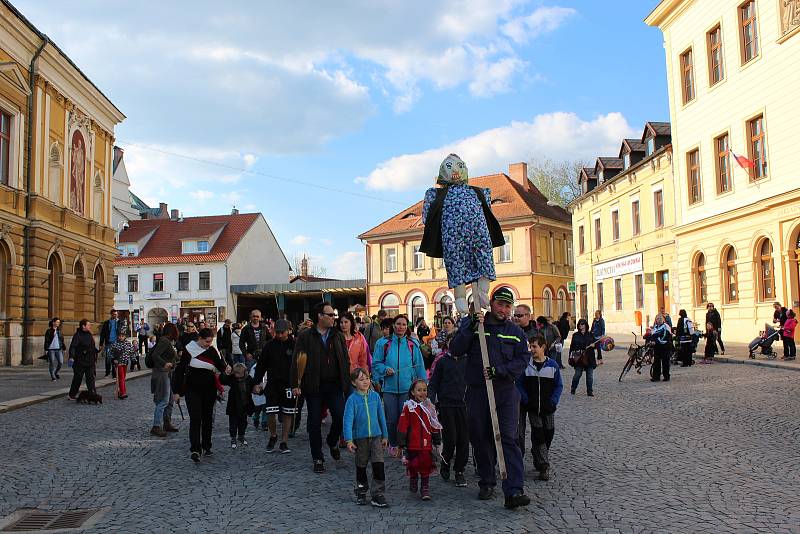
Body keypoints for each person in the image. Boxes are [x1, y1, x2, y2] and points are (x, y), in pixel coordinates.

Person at [448, 286, 531, 509]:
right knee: (481, 437)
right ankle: (487, 481)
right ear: (491, 303)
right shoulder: (475, 325)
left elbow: (523, 359)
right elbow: (455, 350)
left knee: (509, 439)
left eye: (507, 306)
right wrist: (470, 328)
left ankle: (514, 490)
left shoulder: (515, 332)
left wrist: (501, 370)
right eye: (500, 304)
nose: (503, 309)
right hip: (478, 392)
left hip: (505, 392)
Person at [290, 302, 351, 473]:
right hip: (314, 386)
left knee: (340, 417)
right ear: (320, 316)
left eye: (334, 315)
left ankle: (332, 442)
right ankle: (317, 457)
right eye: (330, 315)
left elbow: (345, 360)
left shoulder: (337, 336)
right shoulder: (305, 337)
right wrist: (295, 384)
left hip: (335, 385)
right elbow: (297, 360)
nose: (334, 318)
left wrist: (346, 381)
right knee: (314, 422)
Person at [372, 314, 426, 456]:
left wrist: (423, 387)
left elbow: (419, 366)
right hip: (389, 388)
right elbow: (376, 363)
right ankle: (394, 444)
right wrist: (384, 370)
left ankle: (405, 446)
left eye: (403, 324)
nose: (400, 327)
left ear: (406, 327)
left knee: (406, 419)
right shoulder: (382, 343)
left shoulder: (412, 344)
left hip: (407, 389)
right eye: (398, 324)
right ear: (393, 326)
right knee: (391, 419)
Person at [177, 327, 231, 462]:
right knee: (195, 419)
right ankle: (195, 449)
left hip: (209, 390)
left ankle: (207, 445)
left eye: (211, 341)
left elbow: (220, 365)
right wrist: (176, 391)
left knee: (207, 419)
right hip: (192, 390)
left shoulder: (212, 350)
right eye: (207, 341)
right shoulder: (189, 350)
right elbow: (180, 370)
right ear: (199, 339)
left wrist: (226, 369)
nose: (209, 344)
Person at [518, 335, 562, 481]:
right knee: (539, 434)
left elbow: (558, 386)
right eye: (530, 346)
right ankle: (544, 466)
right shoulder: (527, 366)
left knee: (549, 432)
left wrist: (553, 401)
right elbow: (519, 385)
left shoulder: (552, 365)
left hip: (548, 408)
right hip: (533, 408)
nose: (532, 350)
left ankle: (537, 453)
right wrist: (526, 400)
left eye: (534, 346)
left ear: (543, 347)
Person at [343, 368, 389, 507]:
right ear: (353, 382)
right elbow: (348, 420)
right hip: (361, 438)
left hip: (376, 436)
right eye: (361, 379)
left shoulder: (375, 397)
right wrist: (349, 439)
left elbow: (381, 417)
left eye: (367, 378)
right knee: (361, 466)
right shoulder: (352, 400)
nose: (365, 382)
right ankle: (361, 491)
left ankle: (378, 493)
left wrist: (385, 435)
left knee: (378, 464)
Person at [427, 335, 468, 488]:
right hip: (446, 405)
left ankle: (459, 471)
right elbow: (434, 383)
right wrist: (430, 399)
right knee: (450, 439)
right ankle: (445, 463)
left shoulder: (468, 361)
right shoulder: (443, 361)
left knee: (464, 440)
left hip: (464, 405)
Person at [254, 319, 296, 453]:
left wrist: (299, 384)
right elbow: (261, 366)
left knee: (287, 413)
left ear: (288, 331)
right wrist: (257, 382)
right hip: (272, 383)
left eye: (282, 332)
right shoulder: (269, 346)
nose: (279, 335)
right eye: (277, 332)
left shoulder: (294, 345)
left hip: (289, 384)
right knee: (270, 411)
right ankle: (273, 435)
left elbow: (300, 366)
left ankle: (284, 441)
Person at [397, 379, 442, 501]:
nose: (422, 392)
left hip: (426, 444)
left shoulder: (429, 407)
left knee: (426, 466)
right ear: (412, 392)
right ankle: (413, 478)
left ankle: (425, 487)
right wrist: (401, 442)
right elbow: (403, 425)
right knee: (413, 465)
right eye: (419, 390)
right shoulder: (409, 407)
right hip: (413, 444)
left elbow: (434, 424)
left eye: (424, 390)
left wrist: (437, 438)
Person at [150, 323, 180, 437]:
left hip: (168, 373)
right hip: (162, 373)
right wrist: (165, 363)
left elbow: (173, 357)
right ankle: (156, 426)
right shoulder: (164, 341)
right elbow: (156, 355)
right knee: (163, 400)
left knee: (171, 400)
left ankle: (167, 423)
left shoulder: (168, 342)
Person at [220, 363, 256, 449]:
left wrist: (258, 390)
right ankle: (233, 437)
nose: (236, 375)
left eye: (238, 373)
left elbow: (253, 388)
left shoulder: (248, 379)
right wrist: (225, 373)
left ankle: (241, 436)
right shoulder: (232, 379)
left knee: (243, 422)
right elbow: (223, 380)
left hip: (245, 405)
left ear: (244, 372)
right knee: (233, 423)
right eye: (235, 373)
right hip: (234, 406)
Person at [67, 319, 98, 399]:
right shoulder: (78, 335)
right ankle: (72, 394)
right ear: (83, 326)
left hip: (90, 361)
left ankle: (93, 393)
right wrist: (71, 357)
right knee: (78, 378)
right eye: (88, 325)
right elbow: (73, 347)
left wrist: (96, 353)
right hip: (79, 361)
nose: (90, 326)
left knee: (91, 378)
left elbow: (92, 346)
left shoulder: (89, 334)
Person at [568, 319, 597, 396]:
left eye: (583, 324)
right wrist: (570, 357)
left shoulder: (590, 334)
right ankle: (573, 388)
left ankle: (589, 391)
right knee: (577, 375)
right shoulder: (575, 335)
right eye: (580, 324)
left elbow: (596, 344)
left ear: (586, 325)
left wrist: (594, 346)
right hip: (579, 358)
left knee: (590, 376)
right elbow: (572, 347)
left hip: (589, 357)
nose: (581, 326)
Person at [108, 329, 136, 399]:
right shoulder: (115, 344)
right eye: (119, 336)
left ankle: (120, 391)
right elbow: (110, 353)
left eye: (122, 336)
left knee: (123, 378)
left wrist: (134, 361)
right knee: (121, 378)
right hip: (118, 363)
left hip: (125, 362)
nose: (121, 337)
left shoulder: (128, 344)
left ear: (125, 336)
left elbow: (132, 353)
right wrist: (113, 359)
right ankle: (123, 393)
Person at [648, 315, 672, 382]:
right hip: (657, 347)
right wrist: (651, 341)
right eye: (657, 319)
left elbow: (665, 337)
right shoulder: (655, 327)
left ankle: (666, 376)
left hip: (665, 346)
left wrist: (656, 342)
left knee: (665, 362)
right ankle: (656, 377)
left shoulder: (666, 327)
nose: (658, 320)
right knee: (656, 362)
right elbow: (653, 335)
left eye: (660, 318)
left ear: (663, 319)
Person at [98, 309, 120, 378]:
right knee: (108, 358)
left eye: (116, 314)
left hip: (117, 343)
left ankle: (114, 374)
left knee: (115, 359)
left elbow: (122, 332)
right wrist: (101, 344)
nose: (115, 316)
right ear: (111, 314)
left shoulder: (119, 322)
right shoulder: (106, 323)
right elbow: (102, 334)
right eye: (114, 314)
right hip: (109, 343)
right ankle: (107, 372)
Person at [44, 317, 65, 381]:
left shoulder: (59, 331)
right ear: (53, 322)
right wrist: (46, 349)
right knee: (52, 362)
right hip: (51, 349)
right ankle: (53, 376)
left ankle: (56, 372)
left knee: (61, 362)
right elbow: (46, 340)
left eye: (59, 322)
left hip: (59, 349)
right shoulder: (49, 331)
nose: (58, 323)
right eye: (57, 322)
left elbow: (62, 340)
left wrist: (64, 347)